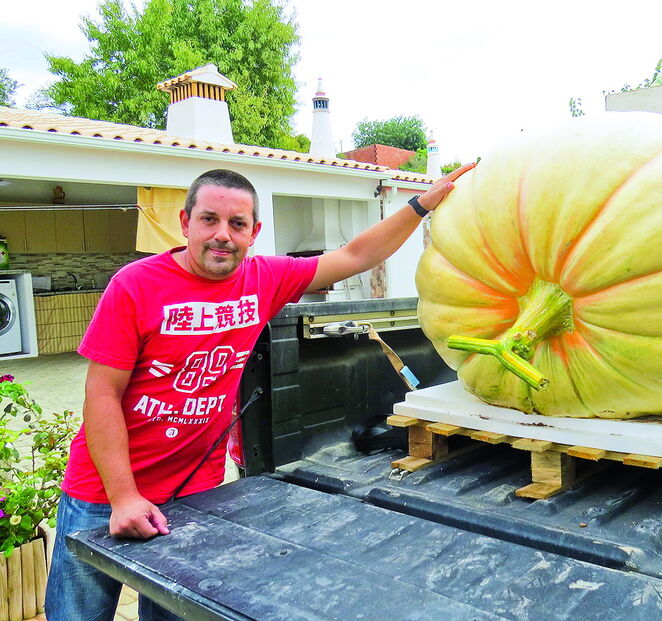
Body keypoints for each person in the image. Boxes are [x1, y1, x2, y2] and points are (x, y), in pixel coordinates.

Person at [45, 163, 474, 621]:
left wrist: (420, 204)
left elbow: (354, 255)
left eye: (237, 223)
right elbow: (102, 395)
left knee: (172, 615)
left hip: (195, 492)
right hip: (103, 494)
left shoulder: (263, 279)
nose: (222, 235)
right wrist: (123, 495)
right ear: (185, 223)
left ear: (254, 232)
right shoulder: (134, 286)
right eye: (209, 219)